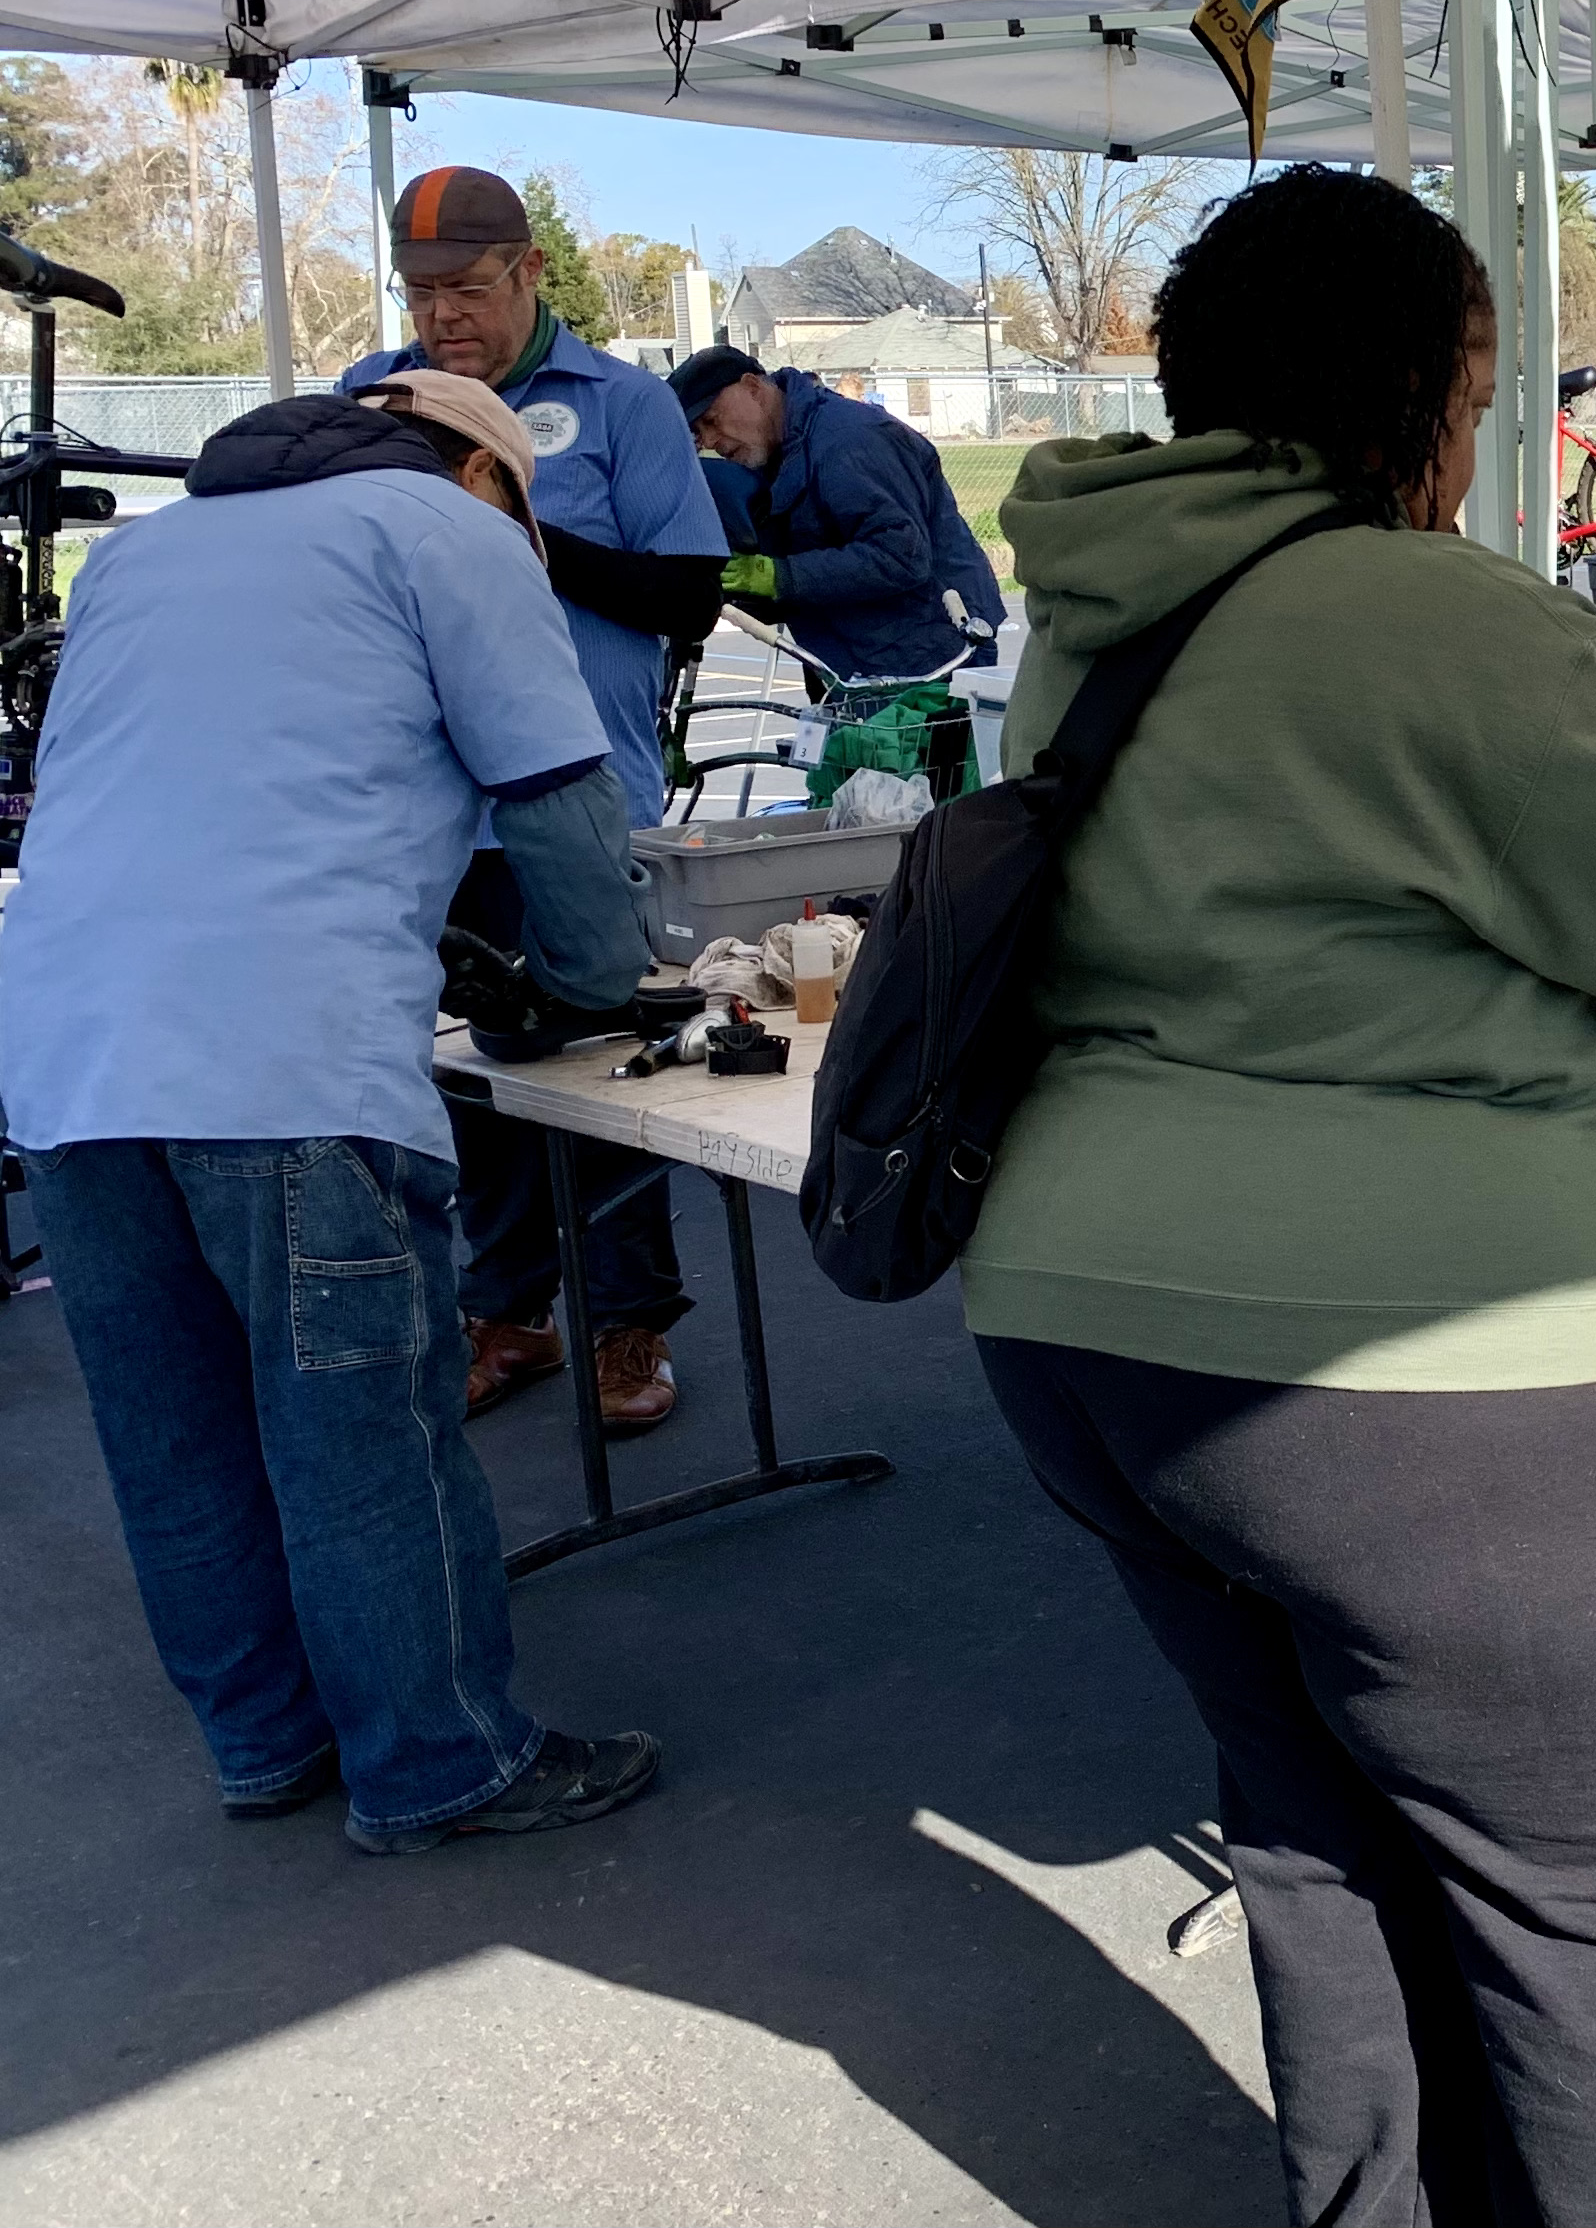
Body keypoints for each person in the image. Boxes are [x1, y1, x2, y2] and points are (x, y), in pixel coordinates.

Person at [963, 167, 1596, 2225]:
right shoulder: (1430, 606)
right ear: (1438, 395)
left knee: (1322, 1850)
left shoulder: (1100, 606)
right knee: (1592, 1915)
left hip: (1092, 1335)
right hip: (1439, 1386)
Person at [0, 376, 665, 1854]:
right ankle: (438, 1759)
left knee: (174, 1433)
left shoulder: (142, 552)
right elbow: (560, 801)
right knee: (359, 1430)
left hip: (61, 1054)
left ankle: (264, 1740)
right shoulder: (447, 531)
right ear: (487, 477)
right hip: (283, 1051)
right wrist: (594, 987)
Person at [342, 167, 731, 1435]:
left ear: (529, 273)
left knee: (613, 1066)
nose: (441, 317)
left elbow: (688, 598)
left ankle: (628, 1323)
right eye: (419, 293)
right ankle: (506, 1311)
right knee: (473, 1081)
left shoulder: (624, 404)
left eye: (465, 288)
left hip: (583, 797)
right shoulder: (371, 403)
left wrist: (509, 534)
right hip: (429, 809)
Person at [666, 343, 1007, 682]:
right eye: (697, 432)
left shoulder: (848, 440)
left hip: (929, 655)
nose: (710, 440)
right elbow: (813, 567)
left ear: (753, 388)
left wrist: (776, 576)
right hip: (852, 657)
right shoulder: (779, 451)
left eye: (712, 420)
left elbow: (902, 555)